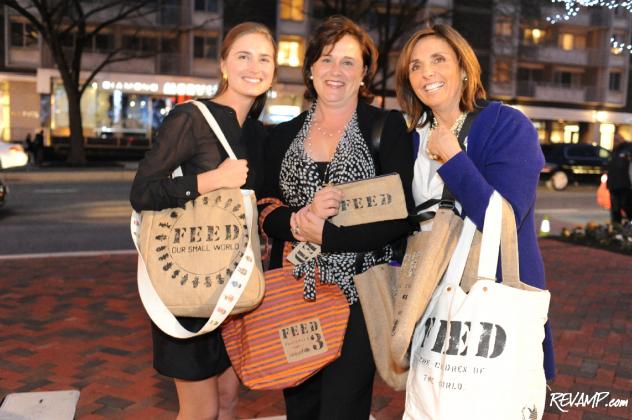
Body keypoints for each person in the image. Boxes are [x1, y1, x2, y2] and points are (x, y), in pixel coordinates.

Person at [261, 15, 415, 420]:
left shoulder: (386, 127)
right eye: (328, 59)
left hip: (360, 297)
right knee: (302, 408)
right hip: (293, 295)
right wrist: (296, 223)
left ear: (364, 72)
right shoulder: (279, 136)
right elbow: (263, 209)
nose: (336, 71)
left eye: (349, 62)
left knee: (343, 409)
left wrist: (331, 237)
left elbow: (402, 218)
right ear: (311, 68)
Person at [129, 22, 276, 420]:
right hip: (189, 288)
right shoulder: (191, 118)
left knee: (228, 402)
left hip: (236, 290)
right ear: (225, 64)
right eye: (243, 56)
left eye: (265, 58)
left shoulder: (259, 136)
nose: (254, 66)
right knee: (200, 410)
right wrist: (211, 180)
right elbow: (142, 193)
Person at [396, 25, 555, 380]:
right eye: (415, 66)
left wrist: (453, 160)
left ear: (464, 68)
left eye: (438, 60)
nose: (427, 73)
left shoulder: (506, 125)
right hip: (429, 297)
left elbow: (505, 222)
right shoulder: (410, 137)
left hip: (490, 299)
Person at [606, 133, 632, 224]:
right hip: (613, 185)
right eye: (614, 140)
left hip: (625, 185)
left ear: (622, 139)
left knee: (627, 206)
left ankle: (629, 224)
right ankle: (616, 226)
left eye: (617, 139)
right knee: (615, 208)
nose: (615, 141)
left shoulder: (628, 148)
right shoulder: (614, 151)